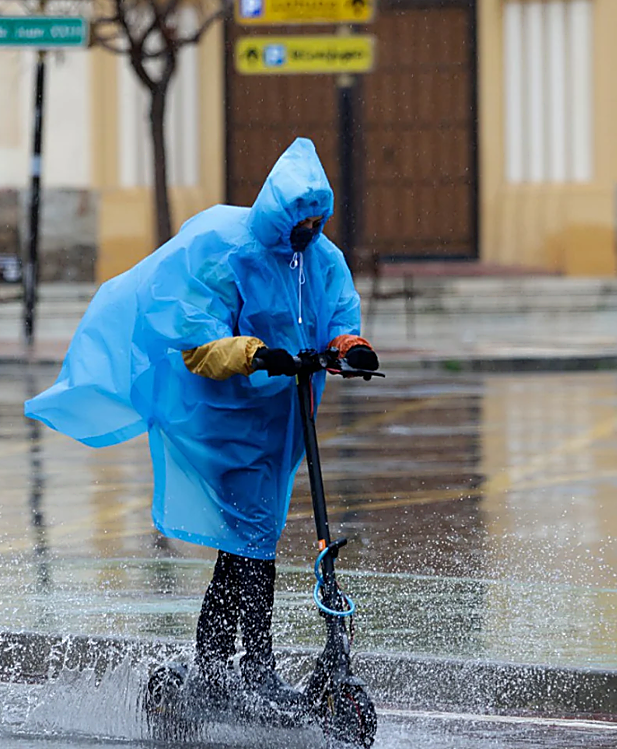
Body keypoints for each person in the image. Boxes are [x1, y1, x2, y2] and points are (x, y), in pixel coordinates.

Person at [25, 137, 377, 704]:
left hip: (282, 418)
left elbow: (338, 314)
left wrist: (349, 346)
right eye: (301, 222)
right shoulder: (224, 247)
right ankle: (253, 666)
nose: (310, 232)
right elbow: (195, 334)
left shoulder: (323, 260)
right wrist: (252, 353)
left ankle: (212, 664)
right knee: (251, 538)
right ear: (277, 213)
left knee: (243, 541)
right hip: (224, 418)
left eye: (318, 221)